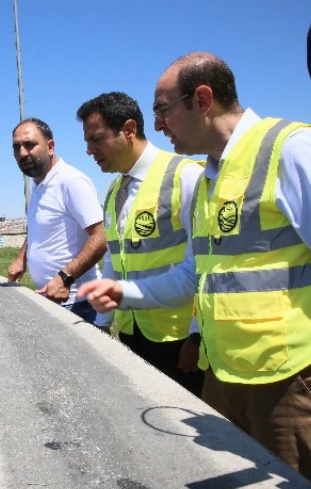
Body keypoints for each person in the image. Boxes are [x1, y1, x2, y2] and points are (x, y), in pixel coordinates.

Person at [78, 52, 311, 489]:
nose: (157, 125)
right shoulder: (211, 178)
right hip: (226, 380)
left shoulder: (294, 151)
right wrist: (124, 292)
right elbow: (195, 276)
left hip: (291, 383)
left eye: (161, 110)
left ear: (202, 99)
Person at [75, 92, 204, 397]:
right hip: (133, 333)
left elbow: (206, 264)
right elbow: (114, 261)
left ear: (129, 129)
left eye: (96, 139)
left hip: (178, 339)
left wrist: (198, 337)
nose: (89, 150)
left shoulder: (185, 177)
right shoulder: (114, 191)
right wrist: (103, 322)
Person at [8, 118, 106, 323]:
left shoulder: (71, 182)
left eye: (29, 145)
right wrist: (21, 258)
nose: (22, 153)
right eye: (17, 148)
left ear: (50, 147)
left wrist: (65, 278)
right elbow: (39, 228)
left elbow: (102, 236)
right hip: (51, 299)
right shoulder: (38, 185)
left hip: (78, 303)